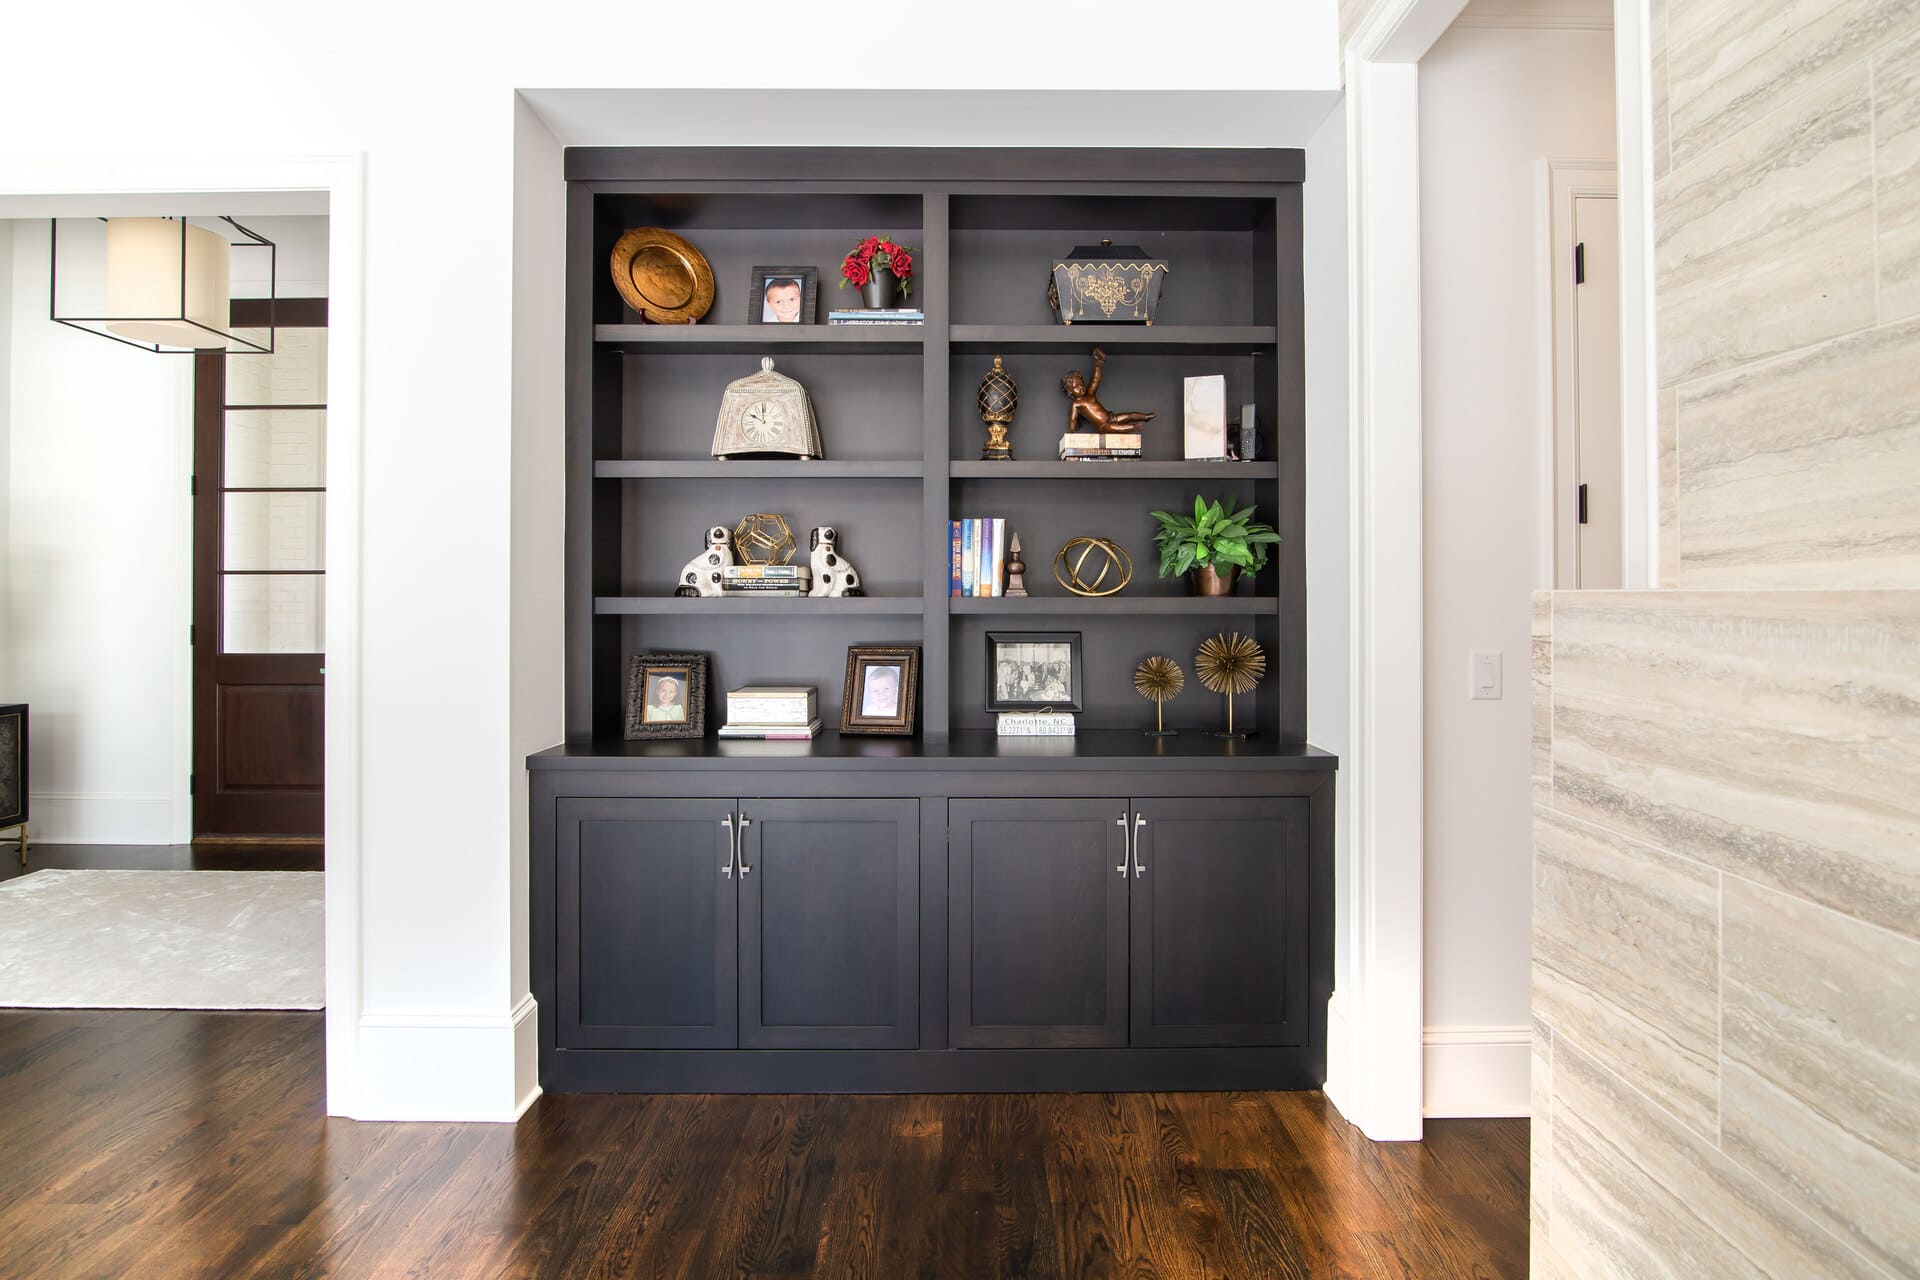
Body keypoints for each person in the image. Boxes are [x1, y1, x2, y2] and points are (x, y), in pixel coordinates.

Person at [1060, 346, 1157, 434]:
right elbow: (1072, 419)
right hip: (1103, 426)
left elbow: (1095, 380)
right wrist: (1071, 433)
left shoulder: (1089, 394)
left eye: (1081, 384)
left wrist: (1098, 365)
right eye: (1076, 387)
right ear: (1070, 392)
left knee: (1128, 415)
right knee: (1116, 428)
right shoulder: (1076, 404)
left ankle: (1145, 417)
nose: (1081, 387)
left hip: (1111, 417)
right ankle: (1133, 427)